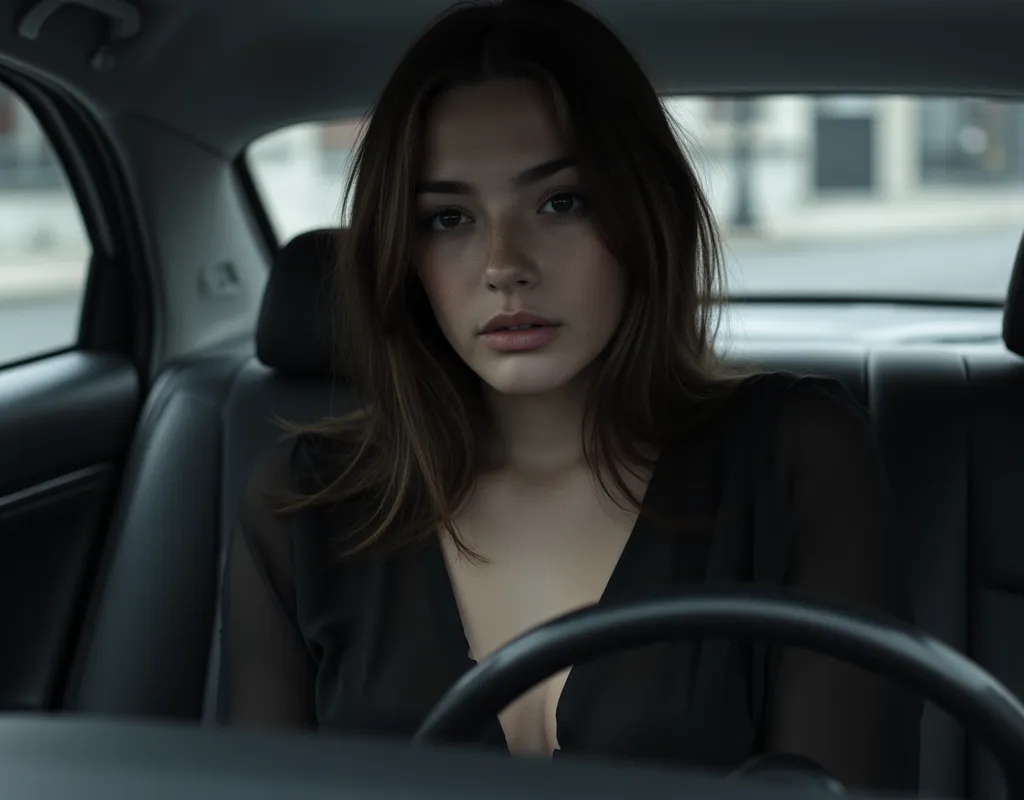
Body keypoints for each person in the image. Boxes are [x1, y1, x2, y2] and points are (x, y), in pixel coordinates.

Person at [221, 0, 921, 791]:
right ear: (401, 256)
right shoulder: (304, 506)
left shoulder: (800, 457)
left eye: (560, 202)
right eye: (448, 218)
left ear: (644, 214)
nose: (503, 263)